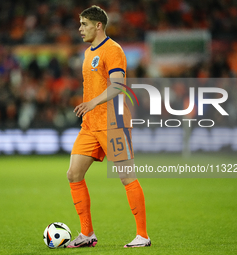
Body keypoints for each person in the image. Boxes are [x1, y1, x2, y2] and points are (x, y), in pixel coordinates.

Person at [67, 5, 151, 248]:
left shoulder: (113, 50)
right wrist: (90, 109)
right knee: (74, 174)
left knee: (126, 176)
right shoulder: (86, 53)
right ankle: (87, 234)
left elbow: (117, 86)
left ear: (98, 25)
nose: (80, 28)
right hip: (90, 125)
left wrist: (91, 102)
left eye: (84, 24)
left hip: (113, 122)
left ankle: (142, 236)